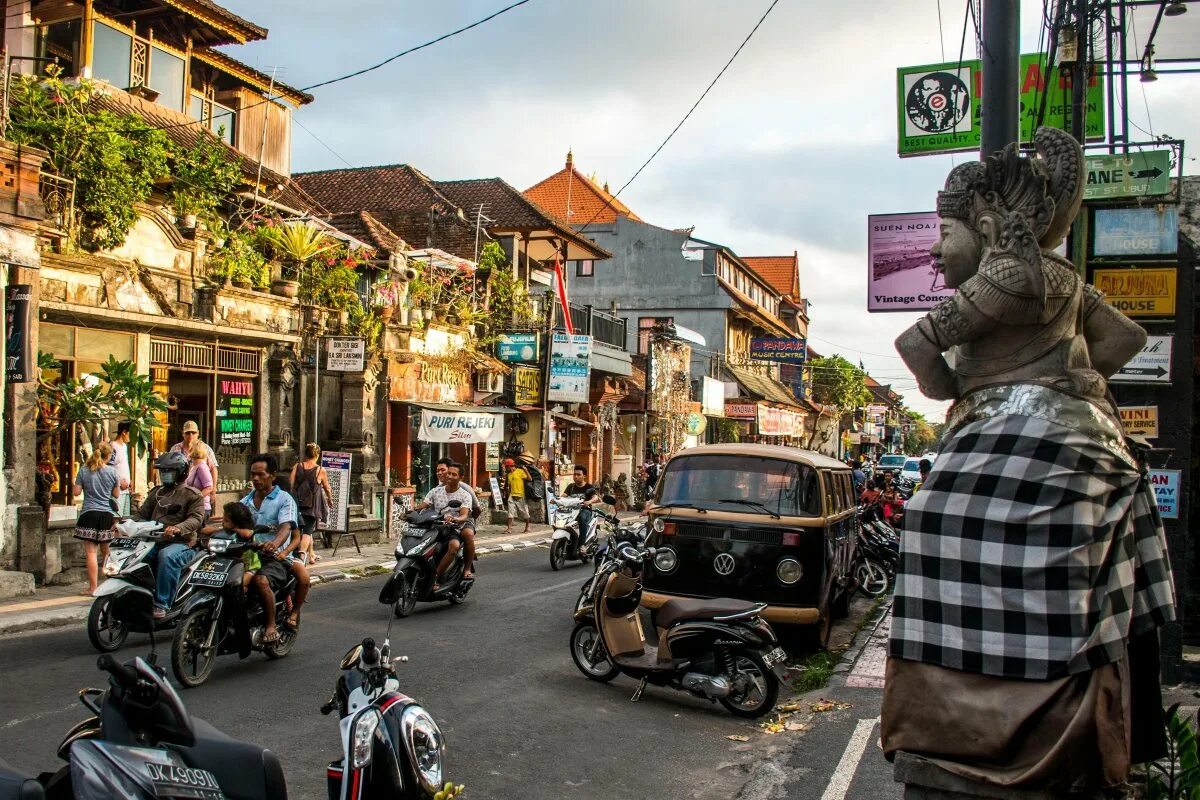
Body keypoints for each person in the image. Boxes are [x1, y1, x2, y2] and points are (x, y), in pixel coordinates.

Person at [241, 453, 308, 643]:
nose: (255, 478)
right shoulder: (245, 502)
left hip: (275, 557)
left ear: (272, 475)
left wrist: (277, 546)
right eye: (253, 474)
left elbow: (288, 528)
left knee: (262, 580)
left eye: (260, 474)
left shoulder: (285, 500)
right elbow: (232, 522)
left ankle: (271, 624)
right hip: (247, 554)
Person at [134, 451, 206, 618]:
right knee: (135, 557)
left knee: (167, 556)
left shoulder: (193, 495)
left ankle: (162, 603)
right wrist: (124, 524)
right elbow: (141, 515)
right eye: (163, 472)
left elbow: (196, 519)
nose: (165, 475)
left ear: (181, 473)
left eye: (169, 472)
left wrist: (178, 528)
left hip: (181, 544)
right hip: (153, 540)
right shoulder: (156, 493)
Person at [414, 461, 474, 589]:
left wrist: (456, 519)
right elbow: (422, 506)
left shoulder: (465, 494)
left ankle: (435, 576)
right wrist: (411, 513)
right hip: (436, 527)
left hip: (454, 528)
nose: (449, 476)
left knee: (454, 546)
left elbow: (464, 514)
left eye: (454, 474)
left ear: (460, 478)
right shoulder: (435, 491)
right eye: (449, 473)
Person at [73, 443, 121, 594]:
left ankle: (93, 587)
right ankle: (110, 585)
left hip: (89, 513)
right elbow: (116, 495)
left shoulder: (83, 471)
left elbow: (76, 492)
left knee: (91, 553)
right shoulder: (113, 472)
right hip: (106, 515)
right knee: (107, 553)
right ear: (109, 456)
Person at [434, 456, 481, 576]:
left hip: (465, 519)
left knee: (467, 534)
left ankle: (467, 568)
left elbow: (477, 509)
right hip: (444, 521)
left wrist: (468, 521)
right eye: (438, 470)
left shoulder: (464, 489)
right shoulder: (436, 490)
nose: (441, 473)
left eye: (443, 470)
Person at [201, 502, 259, 593]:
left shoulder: (245, 534)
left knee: (239, 585)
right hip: (227, 564)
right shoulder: (225, 532)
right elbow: (205, 530)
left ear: (238, 522)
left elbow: (248, 533)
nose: (223, 523)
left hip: (248, 567)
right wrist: (220, 529)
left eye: (227, 521)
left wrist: (233, 530)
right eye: (223, 519)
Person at [290, 443, 333, 564]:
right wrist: (329, 499)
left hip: (297, 503)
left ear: (305, 454)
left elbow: (291, 485)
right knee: (308, 531)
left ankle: (311, 555)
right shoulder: (320, 470)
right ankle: (301, 556)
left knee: (298, 529)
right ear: (317, 455)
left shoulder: (297, 466)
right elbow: (327, 488)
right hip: (312, 505)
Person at [563, 464, 602, 556]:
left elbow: (595, 497)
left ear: (584, 476)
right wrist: (556, 500)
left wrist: (589, 502)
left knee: (581, 518)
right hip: (571, 511)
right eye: (574, 474)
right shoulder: (571, 487)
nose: (575, 477)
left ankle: (582, 545)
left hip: (585, 511)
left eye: (578, 475)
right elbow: (563, 496)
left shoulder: (589, 487)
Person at [170, 420, 219, 489]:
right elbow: (169, 470)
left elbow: (214, 469)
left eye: (193, 432)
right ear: (183, 433)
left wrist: (213, 491)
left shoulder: (205, 448)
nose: (191, 435)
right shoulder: (175, 449)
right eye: (188, 433)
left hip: (201, 491)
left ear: (198, 433)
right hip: (180, 490)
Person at [184, 443, 215, 520]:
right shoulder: (194, 466)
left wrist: (194, 499)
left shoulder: (202, 467)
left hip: (201, 508)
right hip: (194, 507)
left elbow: (209, 488)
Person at [108, 422, 132, 516]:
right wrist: (119, 481)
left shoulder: (124, 446)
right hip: (117, 489)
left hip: (126, 490)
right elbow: (109, 467)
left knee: (126, 518)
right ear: (124, 432)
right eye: (129, 433)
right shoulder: (113, 446)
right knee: (117, 517)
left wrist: (129, 480)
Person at [502, 458, 531, 535]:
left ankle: (527, 526)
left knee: (525, 513)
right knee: (510, 513)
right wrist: (507, 493)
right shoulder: (509, 475)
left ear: (509, 466)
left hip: (521, 495)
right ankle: (509, 528)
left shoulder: (520, 471)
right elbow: (509, 485)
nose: (505, 468)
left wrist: (525, 470)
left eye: (506, 467)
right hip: (512, 496)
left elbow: (529, 478)